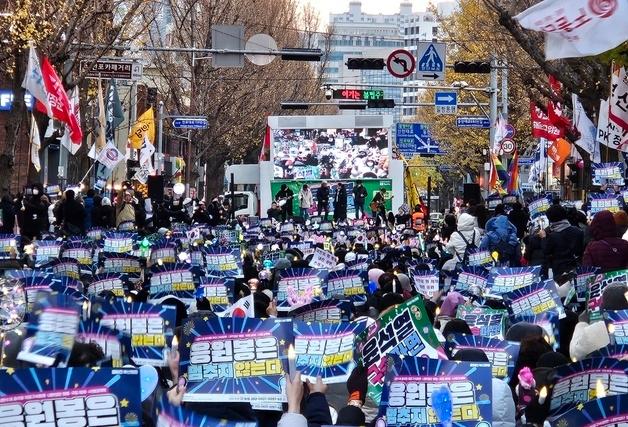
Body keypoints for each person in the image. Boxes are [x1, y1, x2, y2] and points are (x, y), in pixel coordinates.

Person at [541, 204, 584, 277]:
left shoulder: (552, 236)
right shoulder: (578, 231)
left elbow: (546, 250)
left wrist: (543, 238)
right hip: (576, 268)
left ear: (551, 219)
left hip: (559, 270)